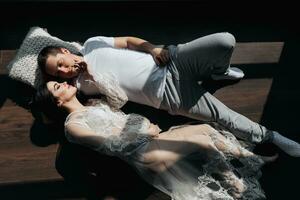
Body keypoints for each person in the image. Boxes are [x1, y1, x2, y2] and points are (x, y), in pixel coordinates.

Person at [37, 33, 300, 157]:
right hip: (169, 95)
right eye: (58, 74)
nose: (64, 71)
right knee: (224, 116)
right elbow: (120, 102)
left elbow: (129, 41)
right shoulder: (82, 88)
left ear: (64, 51)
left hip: (169, 62)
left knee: (226, 40)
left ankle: (217, 71)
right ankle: (272, 137)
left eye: (61, 63)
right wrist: (94, 78)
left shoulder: (93, 43)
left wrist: (152, 49)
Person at [33, 80, 279, 200]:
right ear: (57, 101)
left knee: (205, 129)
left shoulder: (94, 103)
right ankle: (239, 185)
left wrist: (145, 126)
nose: (64, 83)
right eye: (57, 86)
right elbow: (110, 146)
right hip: (144, 155)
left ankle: (252, 161)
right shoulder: (73, 127)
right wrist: (144, 131)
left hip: (152, 139)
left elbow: (120, 102)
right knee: (203, 143)